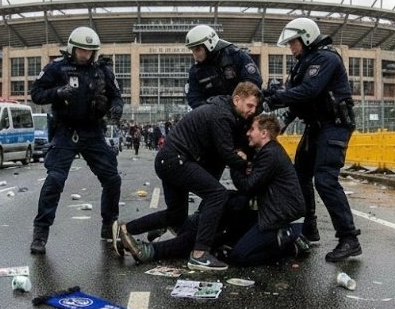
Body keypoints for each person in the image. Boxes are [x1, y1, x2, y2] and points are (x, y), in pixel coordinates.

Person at [120, 114, 309, 267]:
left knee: (238, 257)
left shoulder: (272, 154)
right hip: (260, 212)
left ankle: (289, 240)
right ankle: (154, 250)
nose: (248, 133)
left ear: (264, 133)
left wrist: (236, 163)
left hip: (277, 219)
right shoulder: (263, 152)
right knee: (212, 227)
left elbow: (248, 185)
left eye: (252, 129)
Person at [115, 81, 263, 272]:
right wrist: (247, 164)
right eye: (249, 105)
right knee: (217, 194)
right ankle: (200, 254)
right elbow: (226, 153)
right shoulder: (223, 115)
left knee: (176, 214)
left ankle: (126, 230)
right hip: (176, 160)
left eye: (255, 107)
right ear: (236, 100)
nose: (252, 110)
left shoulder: (221, 109)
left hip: (168, 160)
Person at [264, 16, 362, 263]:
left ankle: (349, 239)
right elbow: (299, 101)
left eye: (294, 42)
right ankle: (310, 226)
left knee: (326, 180)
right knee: (300, 175)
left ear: (306, 38)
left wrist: (275, 99)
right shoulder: (302, 63)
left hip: (334, 126)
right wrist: (281, 124)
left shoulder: (326, 58)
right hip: (316, 127)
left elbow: (310, 91)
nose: (291, 47)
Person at [29, 26, 123, 255]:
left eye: (90, 51)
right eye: (81, 50)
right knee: (54, 180)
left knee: (112, 179)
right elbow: (36, 93)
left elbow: (117, 98)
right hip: (65, 131)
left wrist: (115, 110)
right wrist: (58, 92)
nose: (86, 55)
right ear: (72, 49)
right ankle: (40, 233)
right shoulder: (57, 68)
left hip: (93, 131)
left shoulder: (103, 71)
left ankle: (108, 226)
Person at [185, 24, 263, 108]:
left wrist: (235, 102)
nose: (195, 55)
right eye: (192, 51)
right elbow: (194, 99)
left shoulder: (235, 56)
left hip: (242, 110)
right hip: (214, 114)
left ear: (209, 44)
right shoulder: (195, 71)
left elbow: (253, 81)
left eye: (198, 50)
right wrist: (213, 109)